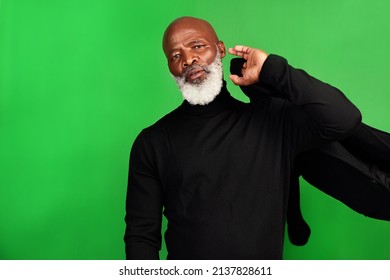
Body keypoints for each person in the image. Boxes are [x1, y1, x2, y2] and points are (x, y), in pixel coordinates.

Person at [124, 16, 361, 260]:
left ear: (220, 50)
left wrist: (274, 70)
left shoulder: (272, 121)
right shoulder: (152, 142)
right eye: (175, 56)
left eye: (197, 46)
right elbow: (141, 235)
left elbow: (344, 118)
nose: (188, 60)